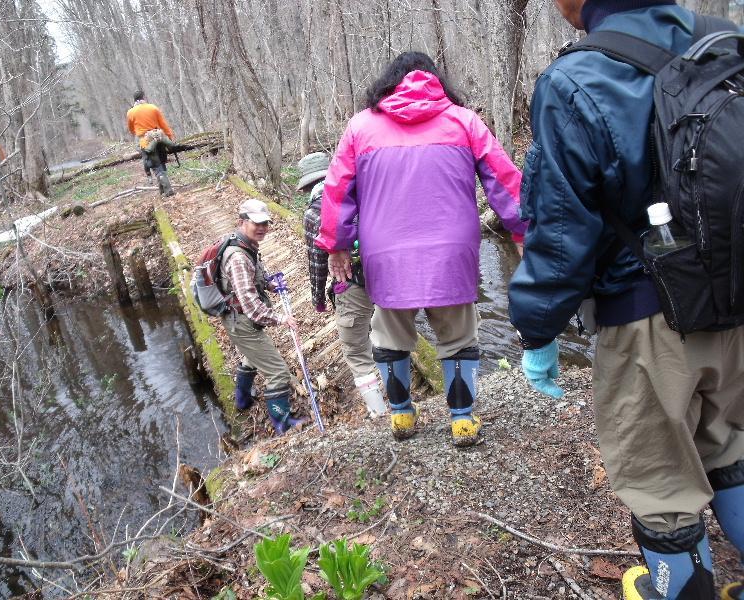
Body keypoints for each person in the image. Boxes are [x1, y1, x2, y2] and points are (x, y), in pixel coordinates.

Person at [507, 2, 744, 599]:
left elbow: (561, 233)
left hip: (645, 316)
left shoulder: (575, 80)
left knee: (662, 486)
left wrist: (538, 331)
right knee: (734, 446)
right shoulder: (721, 40)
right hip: (736, 297)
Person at [315, 51, 527, 447]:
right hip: (452, 249)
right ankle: (462, 420)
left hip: (386, 251)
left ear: (386, 82)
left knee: (390, 333)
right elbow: (502, 177)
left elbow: (337, 189)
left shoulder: (361, 128)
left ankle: (401, 416)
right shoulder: (464, 121)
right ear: (437, 81)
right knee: (458, 333)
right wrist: (521, 228)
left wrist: (336, 244)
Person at [299, 152, 387, 418]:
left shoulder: (315, 213)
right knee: (390, 338)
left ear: (307, 186)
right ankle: (401, 399)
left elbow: (316, 262)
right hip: (388, 279)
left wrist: (318, 299)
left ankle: (379, 412)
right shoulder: (363, 194)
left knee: (356, 351)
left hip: (352, 285)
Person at [220, 198, 304, 435]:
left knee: (251, 358)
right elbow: (251, 306)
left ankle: (242, 400)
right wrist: (280, 319)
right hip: (243, 321)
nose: (262, 228)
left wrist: (270, 285)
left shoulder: (247, 245)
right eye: (256, 223)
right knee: (278, 372)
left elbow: (252, 281)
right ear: (242, 222)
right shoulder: (238, 257)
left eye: (265, 223)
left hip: (239, 320)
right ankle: (283, 424)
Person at [126, 90, 176, 197]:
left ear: (134, 100)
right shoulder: (153, 108)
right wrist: (170, 136)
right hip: (160, 138)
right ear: (144, 97)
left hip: (146, 142)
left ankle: (168, 190)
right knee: (161, 163)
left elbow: (131, 129)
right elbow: (164, 124)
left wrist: (140, 133)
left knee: (156, 166)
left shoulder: (130, 112)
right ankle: (162, 190)